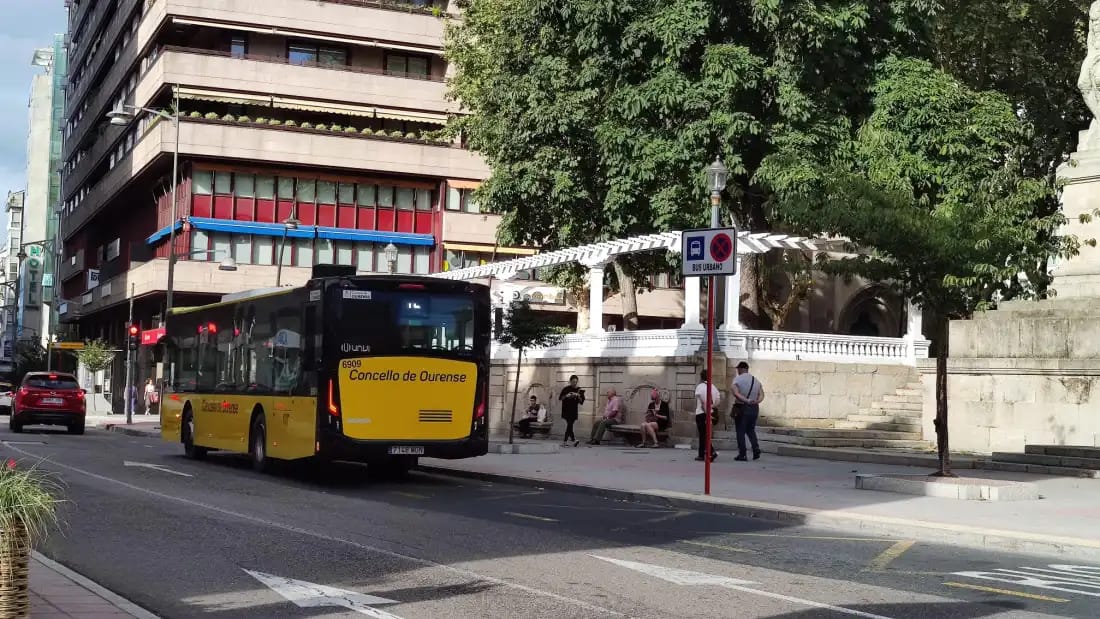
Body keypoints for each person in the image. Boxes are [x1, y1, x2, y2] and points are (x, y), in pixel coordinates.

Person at [731, 361, 765, 461]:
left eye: (738, 369)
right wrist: (756, 401)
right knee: (751, 429)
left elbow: (736, 393)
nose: (737, 371)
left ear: (741, 369)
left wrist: (747, 400)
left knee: (740, 431)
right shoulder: (756, 380)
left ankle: (742, 454)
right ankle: (756, 448)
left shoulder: (737, 379)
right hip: (754, 408)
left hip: (742, 407)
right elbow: (762, 394)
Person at [694, 370, 720, 462]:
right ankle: (701, 454)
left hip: (701, 413)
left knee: (703, 434)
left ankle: (711, 452)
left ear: (701, 377)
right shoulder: (714, 387)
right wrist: (711, 407)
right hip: (711, 412)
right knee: (705, 433)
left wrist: (705, 408)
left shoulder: (700, 386)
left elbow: (701, 399)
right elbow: (717, 401)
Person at [558, 375, 585, 447]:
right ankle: (571, 440)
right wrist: (567, 395)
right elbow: (560, 398)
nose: (574, 383)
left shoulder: (579, 390)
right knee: (570, 425)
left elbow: (581, 401)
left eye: (576, 382)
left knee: (570, 425)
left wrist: (578, 395)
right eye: (573, 382)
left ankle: (567, 441)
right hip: (566, 409)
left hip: (573, 410)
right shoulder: (566, 389)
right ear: (570, 381)